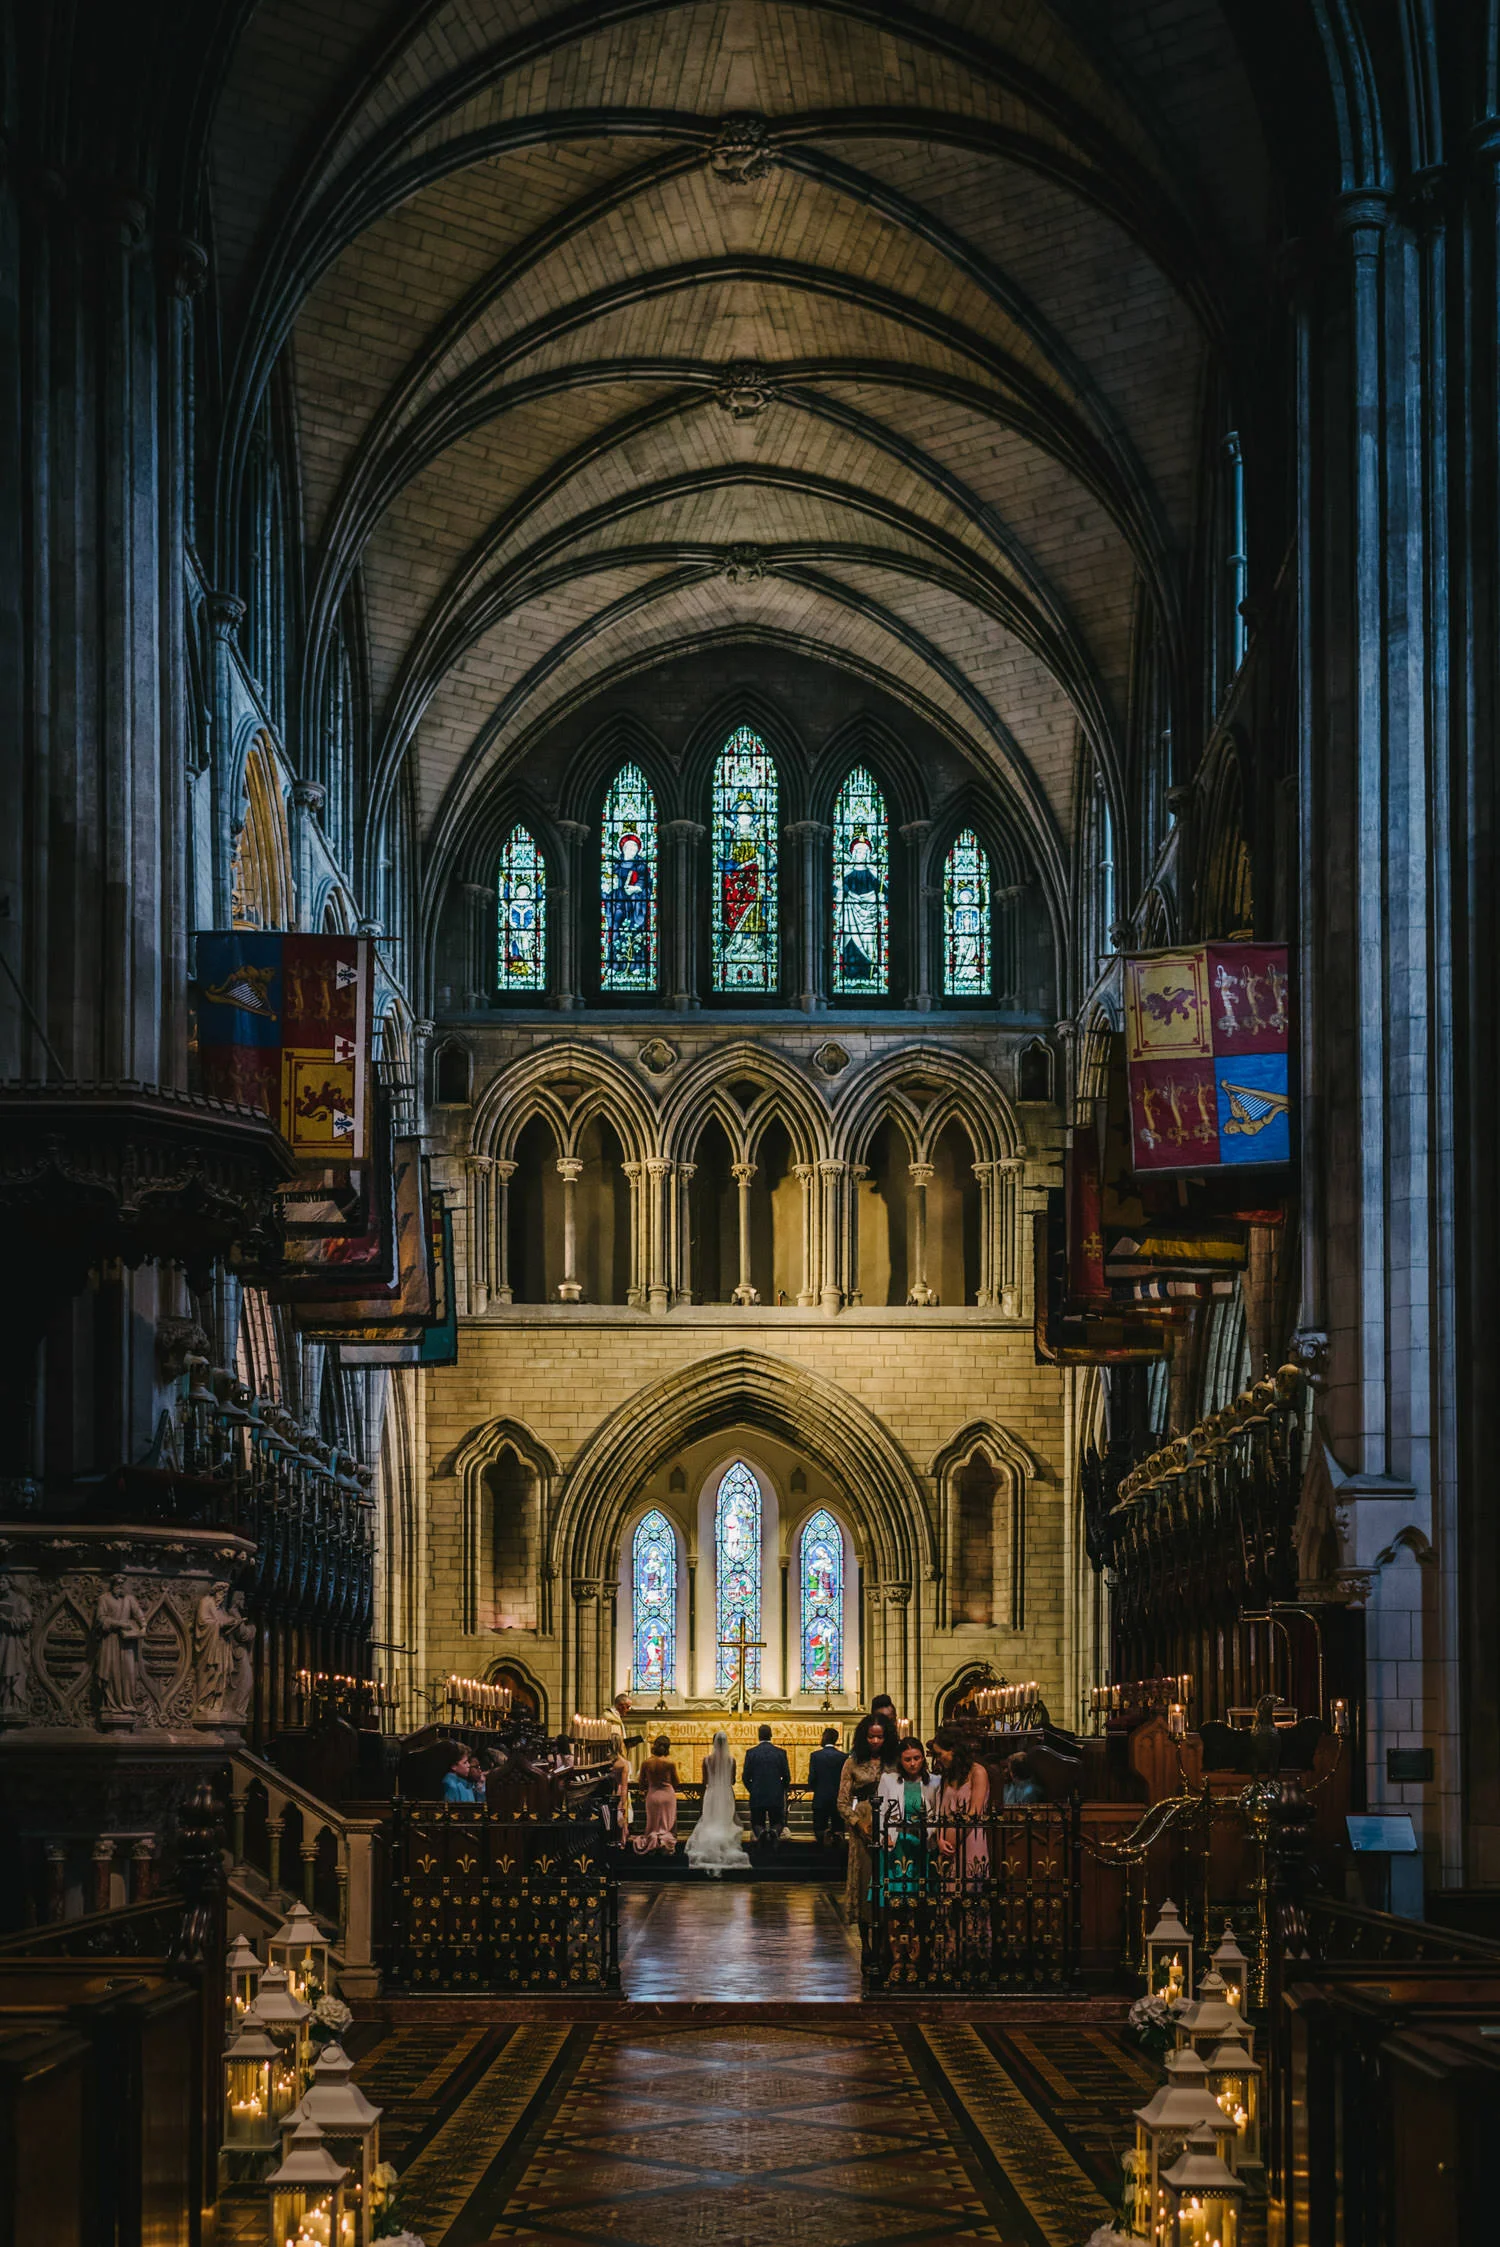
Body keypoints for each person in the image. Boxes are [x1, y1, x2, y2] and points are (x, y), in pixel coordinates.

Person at [837, 1713, 899, 1950]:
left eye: (880, 1737)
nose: (875, 1742)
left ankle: (886, 1942)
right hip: (863, 1827)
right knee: (865, 1884)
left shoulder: (894, 1762)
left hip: (890, 1823)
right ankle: (866, 1945)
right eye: (871, 1737)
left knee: (887, 1881)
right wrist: (857, 1822)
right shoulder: (852, 1762)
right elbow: (842, 1802)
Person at [931, 1725, 991, 1897]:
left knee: (971, 1898)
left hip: (970, 1840)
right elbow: (941, 1813)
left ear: (953, 1750)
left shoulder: (978, 1772)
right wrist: (941, 1840)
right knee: (948, 1898)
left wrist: (954, 1840)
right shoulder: (947, 1776)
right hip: (946, 1849)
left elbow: (974, 1812)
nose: (938, 1759)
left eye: (939, 1754)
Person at [685, 1729, 748, 1875]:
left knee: (710, 1820)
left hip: (712, 1793)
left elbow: (704, 1781)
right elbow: (732, 1781)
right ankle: (724, 1842)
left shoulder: (707, 1760)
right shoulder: (731, 1760)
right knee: (725, 1821)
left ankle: (710, 1843)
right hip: (726, 1793)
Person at [742, 1722, 791, 1844]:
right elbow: (786, 1776)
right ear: (771, 1735)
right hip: (775, 1794)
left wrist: (753, 1789)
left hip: (757, 1793)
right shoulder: (780, 1753)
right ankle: (774, 1831)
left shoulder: (751, 1753)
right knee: (778, 1821)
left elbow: (745, 1776)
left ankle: (761, 1832)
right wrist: (781, 1789)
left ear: (758, 1736)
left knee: (757, 1822)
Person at [633, 1734, 680, 1854]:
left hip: (653, 1795)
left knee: (653, 1824)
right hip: (667, 1796)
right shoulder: (670, 1763)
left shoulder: (646, 1763)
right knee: (667, 1825)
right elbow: (676, 1782)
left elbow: (641, 1784)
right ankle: (665, 1841)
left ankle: (653, 1840)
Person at [808, 1726, 846, 1845]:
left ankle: (821, 1854)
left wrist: (817, 1789)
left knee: (819, 1828)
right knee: (838, 1829)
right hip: (837, 1798)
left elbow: (812, 1778)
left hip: (821, 1798)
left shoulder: (815, 1756)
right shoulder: (843, 1757)